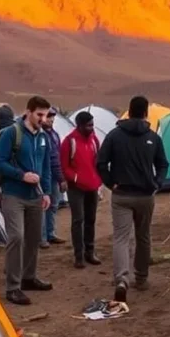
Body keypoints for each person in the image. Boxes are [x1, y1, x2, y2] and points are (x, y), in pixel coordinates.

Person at [96, 95, 169, 303]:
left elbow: (101, 163)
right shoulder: (153, 138)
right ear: (145, 112)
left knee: (121, 238)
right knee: (143, 236)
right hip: (145, 195)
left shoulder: (114, 136)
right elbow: (163, 164)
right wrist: (158, 183)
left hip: (121, 195)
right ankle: (142, 278)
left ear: (129, 111)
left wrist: (111, 183)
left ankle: (121, 280)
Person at [0, 96, 53, 305]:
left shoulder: (43, 136)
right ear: (28, 112)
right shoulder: (12, 133)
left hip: (35, 196)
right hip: (13, 194)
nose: (43, 118)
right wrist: (21, 175)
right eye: (39, 114)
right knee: (16, 237)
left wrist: (46, 192)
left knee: (34, 237)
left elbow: (46, 167)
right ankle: (13, 287)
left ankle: (29, 277)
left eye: (45, 114)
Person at [60, 111, 102, 268]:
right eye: (88, 125)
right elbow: (64, 166)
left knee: (91, 219)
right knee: (78, 220)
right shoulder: (69, 141)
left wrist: (98, 178)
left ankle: (90, 252)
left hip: (92, 186)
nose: (91, 128)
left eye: (92, 125)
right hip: (76, 187)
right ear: (80, 125)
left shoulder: (94, 140)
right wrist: (75, 178)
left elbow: (98, 160)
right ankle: (79, 255)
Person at [40, 107, 67, 248]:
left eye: (52, 117)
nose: (51, 119)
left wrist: (61, 176)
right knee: (44, 206)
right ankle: (42, 237)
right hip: (44, 175)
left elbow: (58, 156)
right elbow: (50, 158)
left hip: (55, 175)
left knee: (54, 205)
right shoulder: (39, 135)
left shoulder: (54, 134)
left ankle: (50, 233)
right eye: (48, 116)